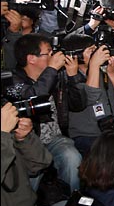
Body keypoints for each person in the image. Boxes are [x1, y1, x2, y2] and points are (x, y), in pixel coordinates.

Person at [12, 33, 86, 191]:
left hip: (55, 139)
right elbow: (32, 96)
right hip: (26, 143)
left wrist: (73, 77)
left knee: (71, 157)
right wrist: (52, 69)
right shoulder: (12, 80)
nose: (54, 56)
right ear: (32, 58)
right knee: (27, 185)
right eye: (49, 53)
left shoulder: (56, 76)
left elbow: (78, 105)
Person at [1, 102, 66, 206]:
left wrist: (24, 138)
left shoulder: (5, 130)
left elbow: (41, 163)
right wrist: (3, 135)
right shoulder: (3, 133)